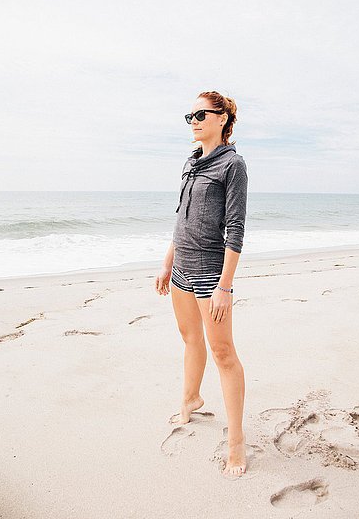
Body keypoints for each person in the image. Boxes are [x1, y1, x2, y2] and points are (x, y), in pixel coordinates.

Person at [155, 90, 248, 476]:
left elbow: (236, 230)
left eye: (201, 114)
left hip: (211, 272)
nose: (193, 120)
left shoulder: (233, 165)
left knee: (223, 352)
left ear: (222, 119)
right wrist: (166, 264)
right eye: (189, 114)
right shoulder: (191, 162)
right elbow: (182, 218)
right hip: (181, 270)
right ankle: (191, 399)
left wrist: (225, 286)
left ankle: (237, 441)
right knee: (189, 339)